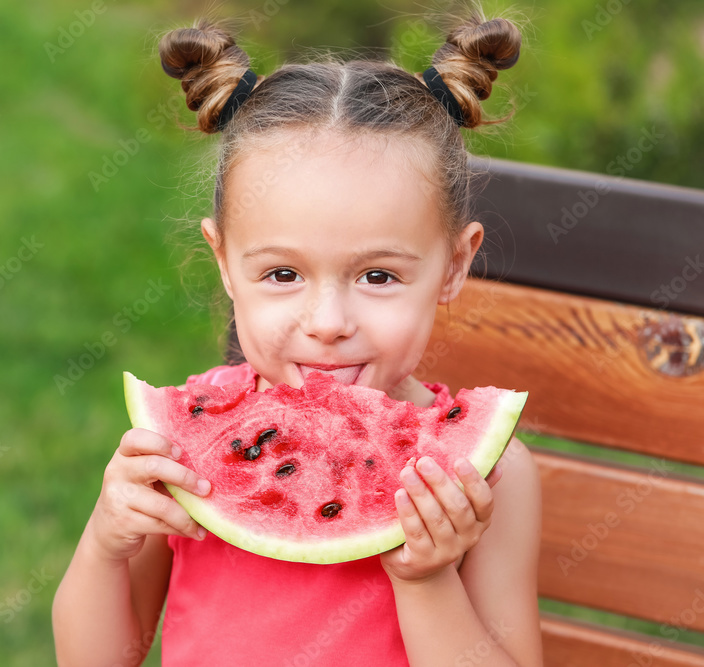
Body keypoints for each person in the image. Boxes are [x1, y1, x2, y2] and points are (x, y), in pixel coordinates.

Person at [53, 10, 542, 666]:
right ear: (225, 262)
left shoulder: (494, 478)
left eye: (378, 274)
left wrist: (427, 582)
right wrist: (105, 542)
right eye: (283, 273)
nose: (328, 320)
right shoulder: (177, 456)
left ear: (453, 265)